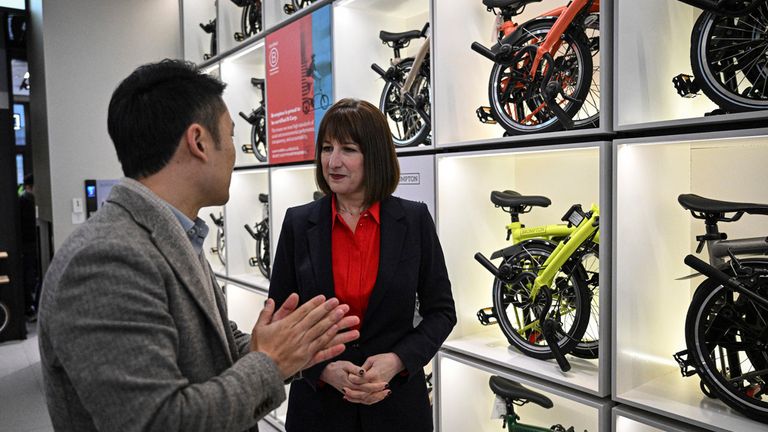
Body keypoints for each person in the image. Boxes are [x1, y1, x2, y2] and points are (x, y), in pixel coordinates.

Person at [37, 59, 360, 432]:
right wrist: (270, 362)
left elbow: (212, 351)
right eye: (231, 136)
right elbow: (160, 422)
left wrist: (289, 348)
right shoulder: (104, 259)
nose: (236, 153)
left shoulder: (171, 233)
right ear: (199, 142)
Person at [268, 98, 457, 432]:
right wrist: (322, 369)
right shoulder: (298, 223)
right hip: (318, 410)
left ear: (376, 156)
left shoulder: (413, 220)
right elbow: (281, 321)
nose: (333, 161)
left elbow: (441, 311)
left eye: (349, 149)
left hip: (395, 406)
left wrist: (397, 361)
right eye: (327, 148)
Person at [18, 174, 38, 319]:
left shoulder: (24, 200)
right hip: (27, 244)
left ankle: (30, 306)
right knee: (28, 274)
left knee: (29, 274)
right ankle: (29, 307)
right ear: (29, 187)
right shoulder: (25, 201)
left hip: (28, 243)